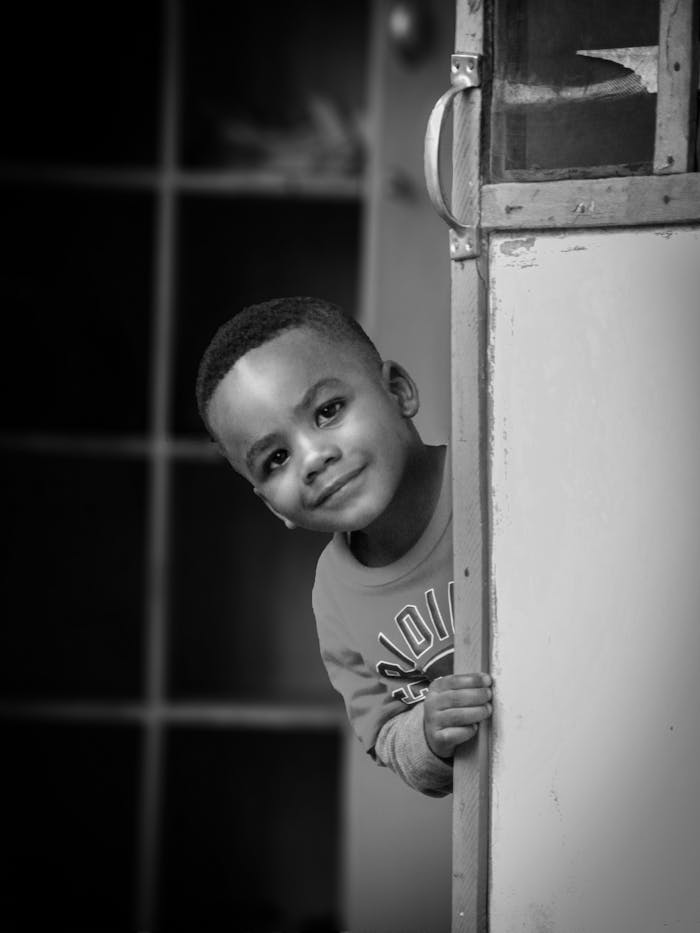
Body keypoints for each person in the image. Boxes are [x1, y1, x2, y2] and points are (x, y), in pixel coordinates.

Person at [196, 296, 492, 796]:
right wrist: (427, 735)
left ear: (397, 391)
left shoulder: (494, 474)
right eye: (276, 458)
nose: (312, 458)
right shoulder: (333, 599)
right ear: (271, 505)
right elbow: (387, 737)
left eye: (328, 411)